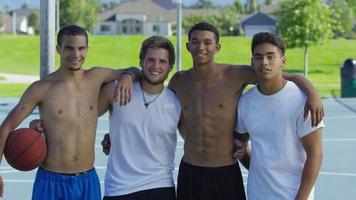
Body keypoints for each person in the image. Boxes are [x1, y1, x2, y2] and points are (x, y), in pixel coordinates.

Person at [167, 22, 324, 200]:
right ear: (188, 46)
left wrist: (312, 92)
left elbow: (277, 74)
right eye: (195, 42)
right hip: (191, 170)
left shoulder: (236, 74)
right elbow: (153, 82)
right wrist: (130, 74)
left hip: (225, 172)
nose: (201, 47)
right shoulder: (178, 81)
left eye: (207, 42)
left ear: (217, 47)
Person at [0, 25, 136, 199]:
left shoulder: (96, 77)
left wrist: (127, 76)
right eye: (69, 48)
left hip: (87, 180)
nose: (76, 55)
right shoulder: (42, 88)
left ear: (87, 49)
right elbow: (6, 127)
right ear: (58, 49)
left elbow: (134, 70)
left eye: (81, 48)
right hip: (51, 181)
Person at [235, 32, 324, 200]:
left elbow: (315, 154)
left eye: (271, 56)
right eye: (258, 57)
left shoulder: (302, 101)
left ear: (283, 61)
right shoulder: (245, 102)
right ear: (252, 63)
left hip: (293, 195)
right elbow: (240, 142)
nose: (264, 62)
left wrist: (301, 198)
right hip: (257, 194)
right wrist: (250, 161)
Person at [98, 35, 180, 200]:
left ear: (171, 66)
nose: (156, 66)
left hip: (160, 186)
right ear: (141, 61)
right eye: (151, 59)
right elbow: (83, 118)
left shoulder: (177, 101)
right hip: (119, 188)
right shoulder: (116, 89)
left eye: (162, 61)